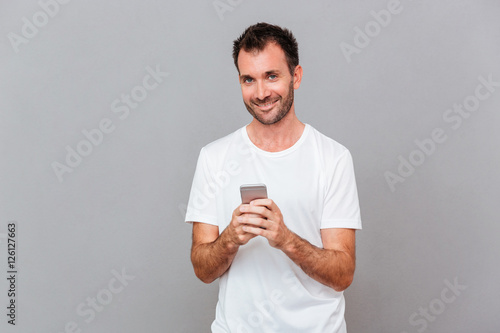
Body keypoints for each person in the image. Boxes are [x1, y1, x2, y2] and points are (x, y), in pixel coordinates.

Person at [185, 22, 362, 333]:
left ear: (296, 76)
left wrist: (285, 239)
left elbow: (342, 274)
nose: (261, 92)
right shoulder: (214, 158)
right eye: (248, 80)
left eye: (271, 76)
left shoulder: (333, 159)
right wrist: (230, 238)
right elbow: (203, 269)